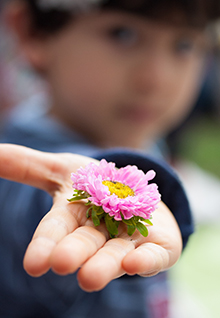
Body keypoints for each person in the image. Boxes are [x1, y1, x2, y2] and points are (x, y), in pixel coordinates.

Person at [0, 0, 219, 317]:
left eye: (184, 44)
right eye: (123, 34)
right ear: (33, 32)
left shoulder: (138, 136)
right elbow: (38, 197)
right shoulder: (21, 172)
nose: (155, 79)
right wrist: (94, 183)